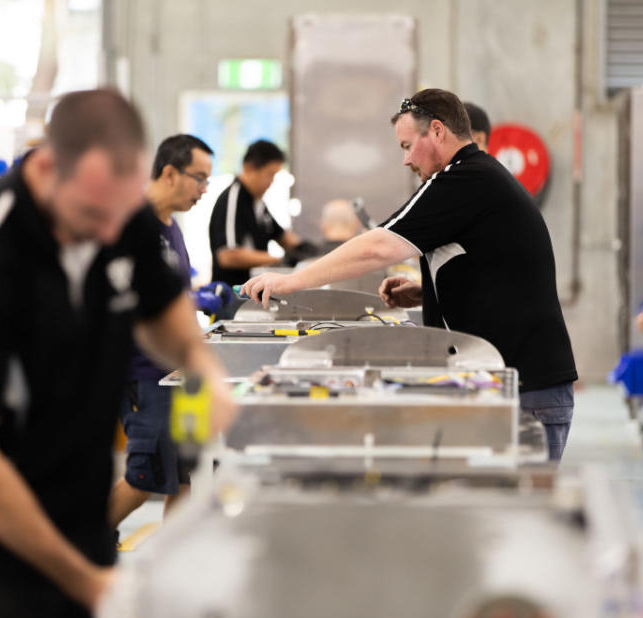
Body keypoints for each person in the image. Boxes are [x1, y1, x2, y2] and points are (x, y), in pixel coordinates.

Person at [0, 89, 235, 618]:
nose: (110, 235)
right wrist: (85, 581)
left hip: (76, 516)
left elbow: (161, 305)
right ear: (45, 165)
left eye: (117, 217)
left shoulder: (117, 209)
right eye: (92, 216)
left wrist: (199, 362)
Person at [241, 89, 577, 461]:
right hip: (517, 384)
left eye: (406, 146)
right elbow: (494, 266)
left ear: (436, 131)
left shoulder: (465, 179)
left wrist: (289, 281)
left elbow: (378, 245)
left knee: (517, 513)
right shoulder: (474, 178)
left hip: (524, 390)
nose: (405, 160)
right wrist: (425, 291)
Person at [107, 134, 213, 531]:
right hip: (142, 373)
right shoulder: (131, 226)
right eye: (198, 178)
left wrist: (198, 298)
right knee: (144, 479)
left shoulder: (172, 228)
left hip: (176, 376)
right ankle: (83, 553)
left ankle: (170, 574)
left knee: (184, 478)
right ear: (169, 173)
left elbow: (168, 294)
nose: (203, 189)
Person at [208, 139, 306, 287]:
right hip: (233, 297)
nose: (272, 181)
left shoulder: (258, 203)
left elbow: (283, 238)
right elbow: (228, 256)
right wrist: (278, 259)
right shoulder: (233, 199)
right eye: (270, 174)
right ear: (249, 168)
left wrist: (306, 250)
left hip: (253, 296)